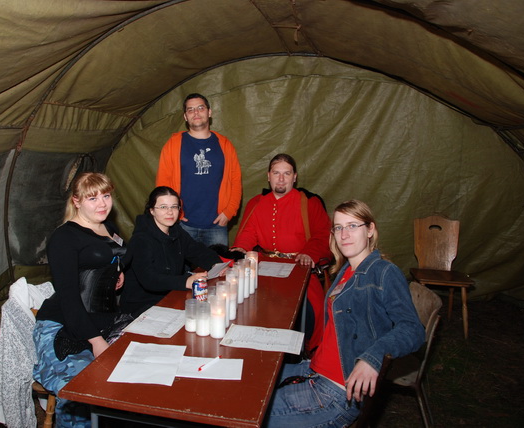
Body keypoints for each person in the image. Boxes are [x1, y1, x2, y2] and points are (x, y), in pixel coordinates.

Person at [264, 199, 425, 428]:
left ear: (370, 230)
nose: (344, 234)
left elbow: (413, 329)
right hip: (314, 369)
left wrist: (372, 358)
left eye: (352, 226)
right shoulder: (347, 270)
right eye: (338, 227)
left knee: (250, 411)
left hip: (336, 392)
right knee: (255, 376)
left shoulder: (383, 272)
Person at [32, 172, 132, 427]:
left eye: (106, 196)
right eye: (92, 198)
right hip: (65, 324)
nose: (102, 204)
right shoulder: (64, 238)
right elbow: (69, 298)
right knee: (85, 391)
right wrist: (96, 342)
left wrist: (117, 272)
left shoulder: (107, 226)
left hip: (105, 318)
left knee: (137, 373)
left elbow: (111, 256)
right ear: (76, 201)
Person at [231, 153, 332, 352]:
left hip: (300, 267)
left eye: (286, 173)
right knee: (242, 301)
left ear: (295, 177)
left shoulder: (310, 202)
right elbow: (248, 233)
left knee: (313, 310)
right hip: (262, 267)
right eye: (276, 173)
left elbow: (323, 235)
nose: (281, 179)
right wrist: (241, 248)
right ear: (268, 176)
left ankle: (304, 352)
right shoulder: (256, 202)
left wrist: (309, 254)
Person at [120, 186, 224, 317]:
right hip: (142, 305)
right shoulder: (141, 239)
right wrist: (185, 282)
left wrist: (216, 264)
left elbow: (197, 251)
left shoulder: (176, 231)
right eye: (163, 207)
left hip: (170, 295)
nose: (170, 212)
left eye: (174, 207)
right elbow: (149, 279)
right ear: (152, 210)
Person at [156, 93, 242, 246]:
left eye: (200, 108)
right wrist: (175, 213)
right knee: (180, 262)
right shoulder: (173, 145)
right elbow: (163, 184)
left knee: (217, 262)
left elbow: (235, 181)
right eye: (190, 110)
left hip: (217, 226)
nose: (196, 112)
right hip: (183, 225)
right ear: (185, 116)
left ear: (209, 112)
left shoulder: (225, 145)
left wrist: (229, 212)